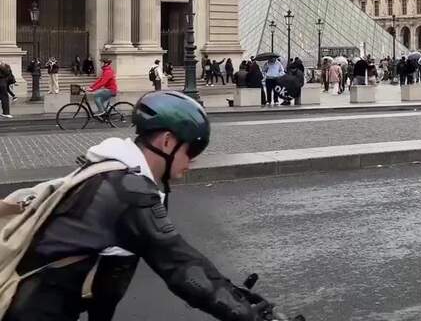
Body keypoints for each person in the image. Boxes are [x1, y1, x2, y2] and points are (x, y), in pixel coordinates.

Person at [2, 91, 282, 321]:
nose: (193, 161)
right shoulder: (128, 191)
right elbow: (180, 265)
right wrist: (247, 315)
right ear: (167, 141)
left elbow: (112, 276)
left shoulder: (110, 170)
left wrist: (233, 294)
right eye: (192, 150)